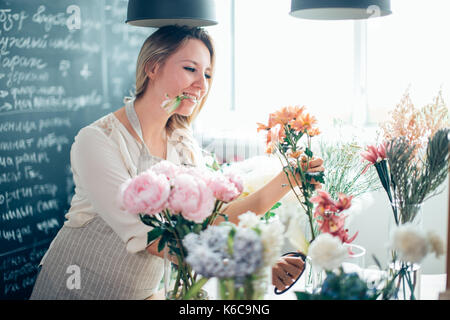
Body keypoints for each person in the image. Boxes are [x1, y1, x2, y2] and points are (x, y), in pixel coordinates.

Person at [29, 25, 324, 300]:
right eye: (190, 69)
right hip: (75, 288)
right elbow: (152, 239)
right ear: (153, 67)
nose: (201, 84)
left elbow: (210, 222)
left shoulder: (182, 144)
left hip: (138, 292)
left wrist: (288, 179)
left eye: (207, 74)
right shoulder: (97, 141)